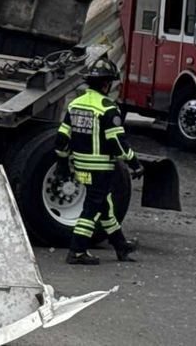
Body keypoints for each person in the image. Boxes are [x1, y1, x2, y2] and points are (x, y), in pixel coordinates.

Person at [56, 57, 143, 265]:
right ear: (106, 85)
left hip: (80, 165)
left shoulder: (74, 105)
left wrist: (61, 162)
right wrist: (134, 163)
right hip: (100, 167)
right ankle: (76, 251)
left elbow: (62, 136)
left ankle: (121, 246)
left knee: (104, 205)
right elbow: (117, 142)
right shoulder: (108, 108)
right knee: (92, 208)